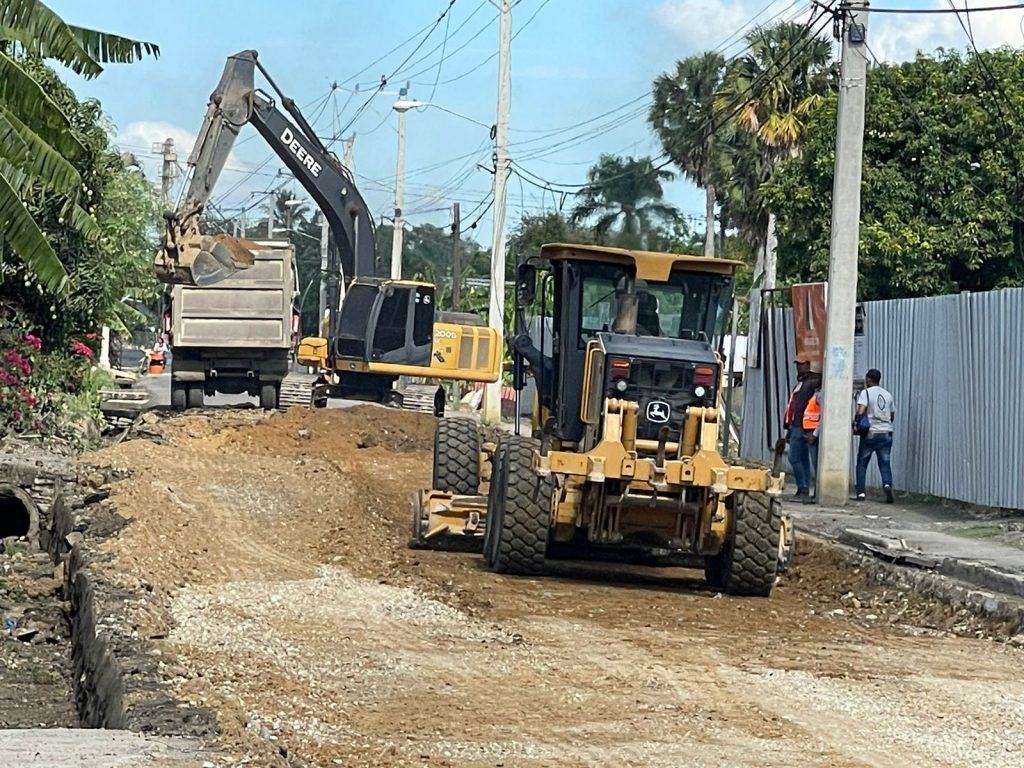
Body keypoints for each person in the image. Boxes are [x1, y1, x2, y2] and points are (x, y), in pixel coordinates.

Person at [854, 368, 896, 503]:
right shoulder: (888, 395)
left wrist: (856, 422)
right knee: (884, 462)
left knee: (862, 463)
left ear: (868, 379)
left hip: (871, 432)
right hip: (886, 432)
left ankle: (860, 492)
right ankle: (887, 484)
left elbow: (861, 411)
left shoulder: (865, 393)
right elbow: (892, 415)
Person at [784, 358, 818, 499]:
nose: (799, 367)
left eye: (802, 365)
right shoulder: (800, 385)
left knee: (794, 458)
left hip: (804, 426)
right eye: (798, 365)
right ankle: (803, 487)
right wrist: (788, 428)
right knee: (803, 458)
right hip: (795, 425)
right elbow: (792, 407)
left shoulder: (810, 384)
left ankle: (803, 487)